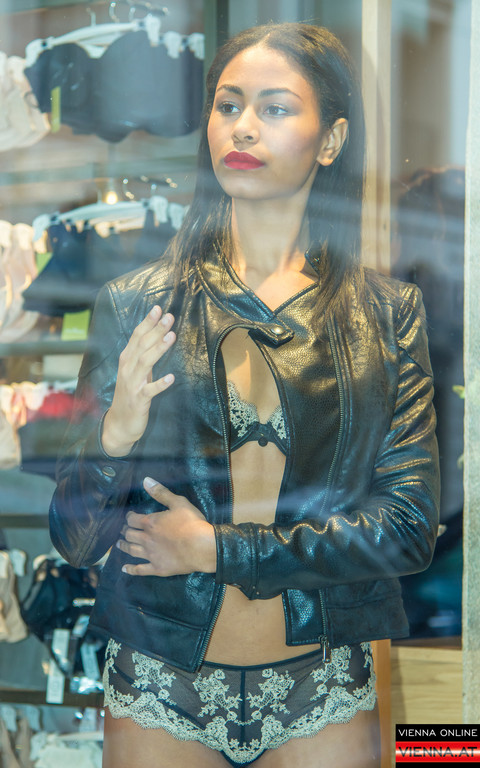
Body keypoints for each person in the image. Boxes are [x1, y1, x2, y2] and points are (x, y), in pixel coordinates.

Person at [49, 22, 439, 768]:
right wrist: (115, 433)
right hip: (161, 678)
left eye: (275, 107)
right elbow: (74, 540)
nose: (244, 126)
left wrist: (217, 550)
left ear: (332, 140)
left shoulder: (387, 316)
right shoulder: (135, 304)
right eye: (228, 105)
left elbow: (407, 527)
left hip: (319, 679)